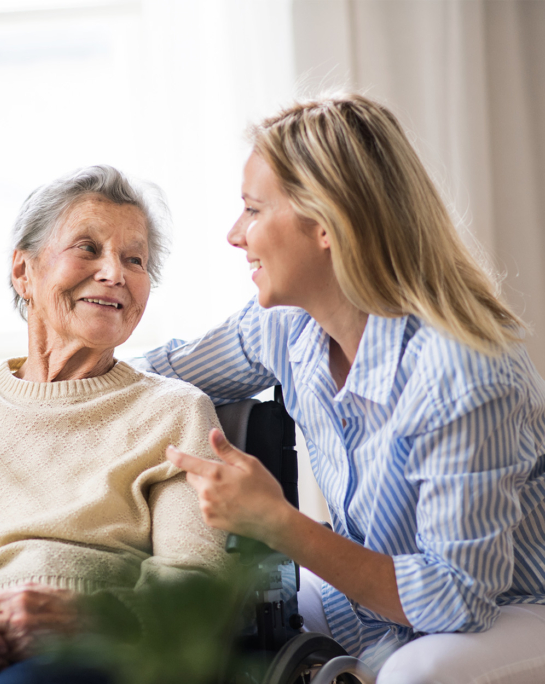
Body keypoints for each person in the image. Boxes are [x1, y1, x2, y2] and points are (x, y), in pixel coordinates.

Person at [155, 94, 545, 683]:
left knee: (418, 674)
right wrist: (36, 367)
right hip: (386, 604)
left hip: (512, 608)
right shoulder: (288, 326)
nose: (235, 235)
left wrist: (277, 521)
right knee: (224, 623)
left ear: (326, 225)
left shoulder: (464, 371)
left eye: (253, 210)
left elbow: (456, 599)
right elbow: (164, 373)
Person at [0, 165, 228, 684]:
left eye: (134, 259)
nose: (114, 273)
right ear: (23, 272)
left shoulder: (177, 413)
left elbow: (195, 585)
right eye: (87, 247)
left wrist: (88, 618)